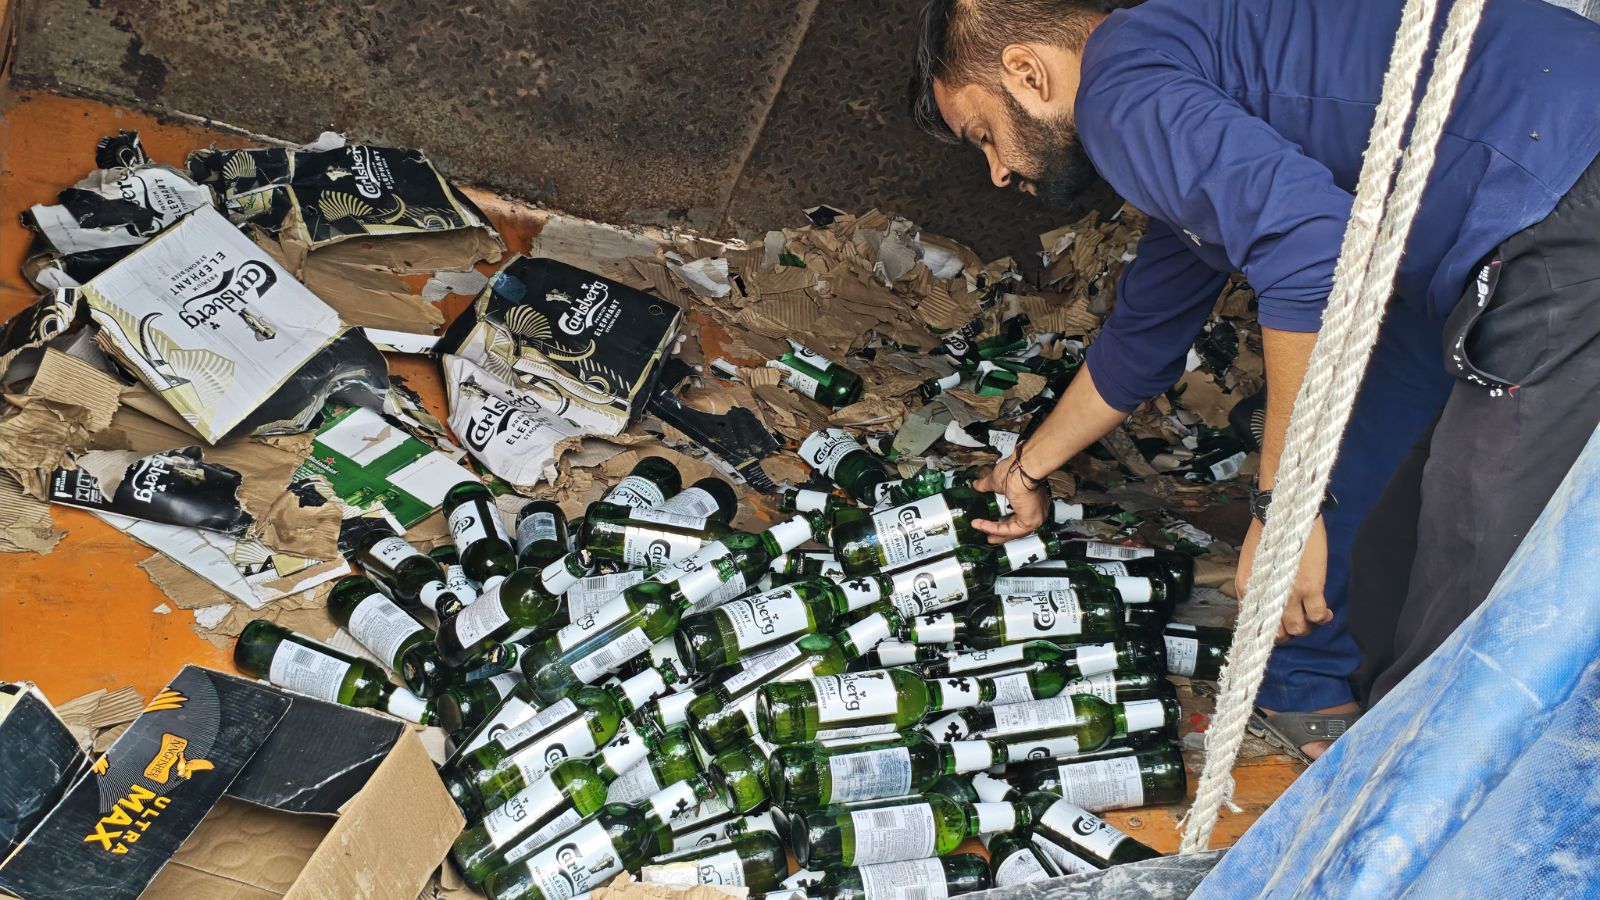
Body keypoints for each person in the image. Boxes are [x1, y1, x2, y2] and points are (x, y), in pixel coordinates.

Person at [910, 0, 1600, 757]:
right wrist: (1026, 468)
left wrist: (1283, 509)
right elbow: (1143, 337)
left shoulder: (1117, 93)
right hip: (1476, 217)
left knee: (1478, 532)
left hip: (1557, 185)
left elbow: (1311, 251)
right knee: (1364, 460)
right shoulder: (1171, 74)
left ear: (1025, 70)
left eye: (985, 135)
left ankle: (1425, 786)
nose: (1000, 171)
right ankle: (1316, 686)